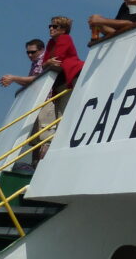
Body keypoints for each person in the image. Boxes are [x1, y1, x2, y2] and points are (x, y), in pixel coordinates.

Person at [36, 16, 84, 162]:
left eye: (55, 26)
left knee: (63, 112)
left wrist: (49, 62)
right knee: (59, 114)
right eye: (50, 26)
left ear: (63, 29)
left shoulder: (65, 39)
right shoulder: (51, 42)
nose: (51, 28)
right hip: (60, 81)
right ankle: (56, 144)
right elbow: (45, 63)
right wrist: (48, 62)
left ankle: (60, 146)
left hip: (70, 76)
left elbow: (58, 59)